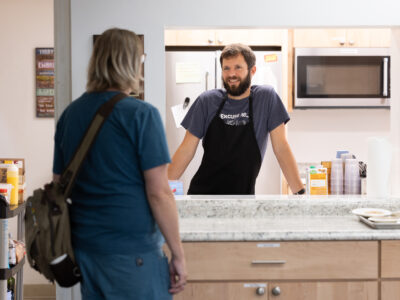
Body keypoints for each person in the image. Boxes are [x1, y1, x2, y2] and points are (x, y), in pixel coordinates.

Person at [52, 28, 187, 300]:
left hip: (87, 250)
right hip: (132, 253)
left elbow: (59, 185)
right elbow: (159, 193)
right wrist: (178, 254)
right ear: (131, 63)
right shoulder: (141, 114)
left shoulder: (70, 114)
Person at [168, 43, 304, 195]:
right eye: (226, 68)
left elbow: (281, 148)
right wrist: (160, 190)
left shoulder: (266, 98)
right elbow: (186, 150)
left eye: (238, 67)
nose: (231, 74)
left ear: (252, 71)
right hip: (202, 196)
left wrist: (300, 194)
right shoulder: (207, 101)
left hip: (244, 198)